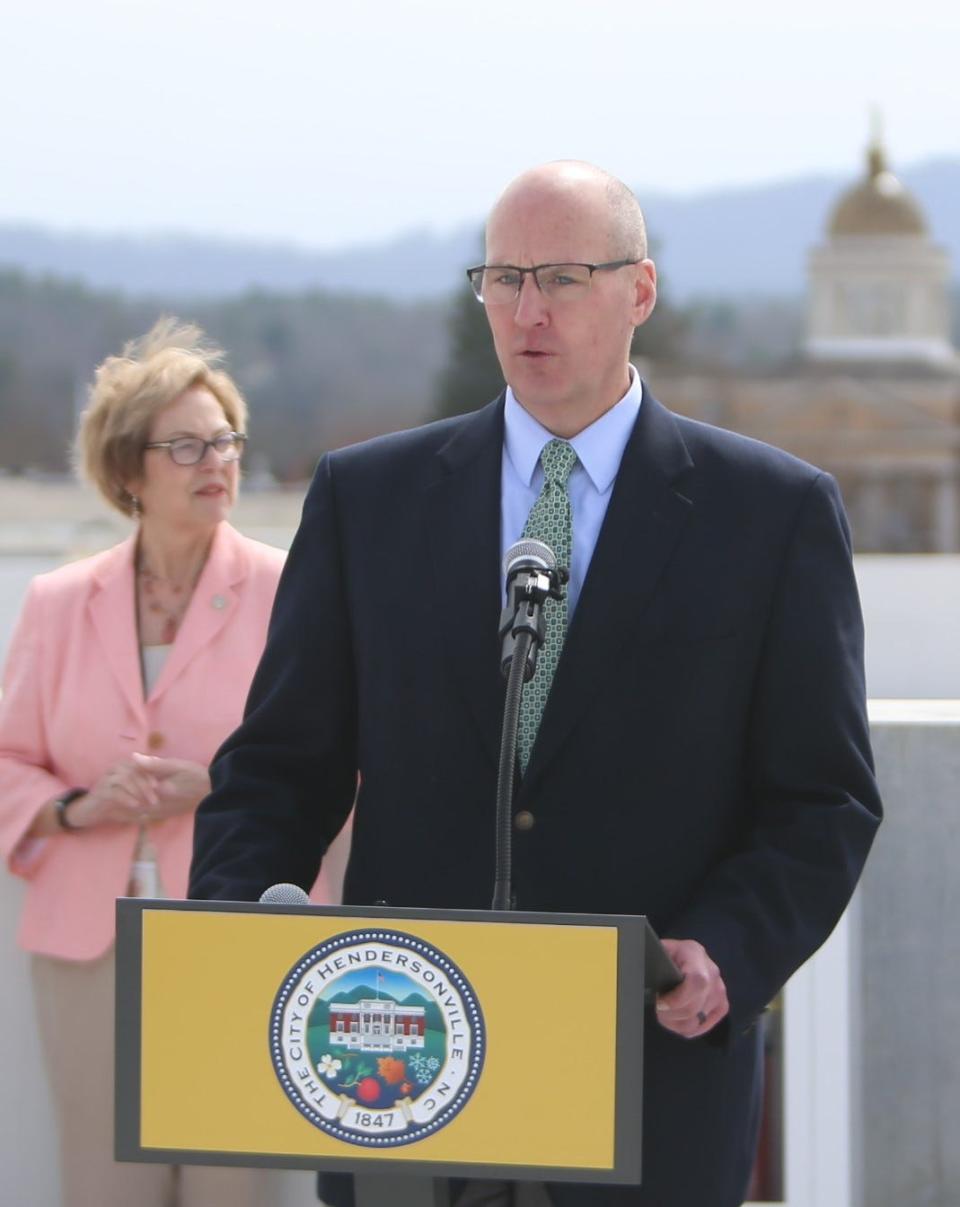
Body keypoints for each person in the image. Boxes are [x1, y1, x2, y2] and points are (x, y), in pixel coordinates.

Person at [189, 163, 883, 1207]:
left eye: (562, 277)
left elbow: (822, 798)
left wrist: (728, 950)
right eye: (503, 277)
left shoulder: (771, 515)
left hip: (645, 1074)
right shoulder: (366, 501)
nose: (526, 311)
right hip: (403, 1070)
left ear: (639, 292)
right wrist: (236, 936)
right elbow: (279, 769)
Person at [0, 318, 313, 1207]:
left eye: (224, 439)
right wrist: (77, 806)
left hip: (234, 934)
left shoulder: (291, 589)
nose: (215, 460)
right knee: (104, 1187)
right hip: (85, 944)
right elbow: (7, 757)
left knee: (228, 1184)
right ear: (128, 469)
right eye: (185, 445)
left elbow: (339, 760)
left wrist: (218, 785)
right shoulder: (60, 602)